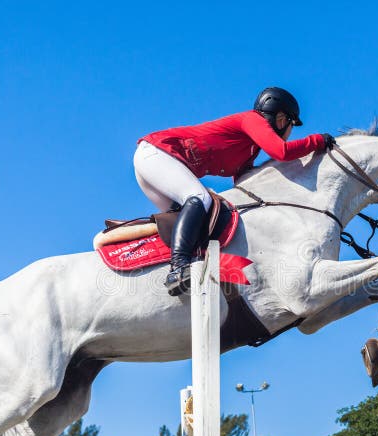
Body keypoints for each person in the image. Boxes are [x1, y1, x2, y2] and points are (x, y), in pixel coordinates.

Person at [135, 87, 335, 295]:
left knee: (197, 221)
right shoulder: (253, 120)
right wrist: (318, 140)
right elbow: (281, 152)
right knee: (199, 198)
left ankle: (184, 268)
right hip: (157, 153)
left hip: (154, 159)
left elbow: (245, 183)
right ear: (282, 118)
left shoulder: (249, 148)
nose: (291, 132)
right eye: (291, 125)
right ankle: (178, 270)